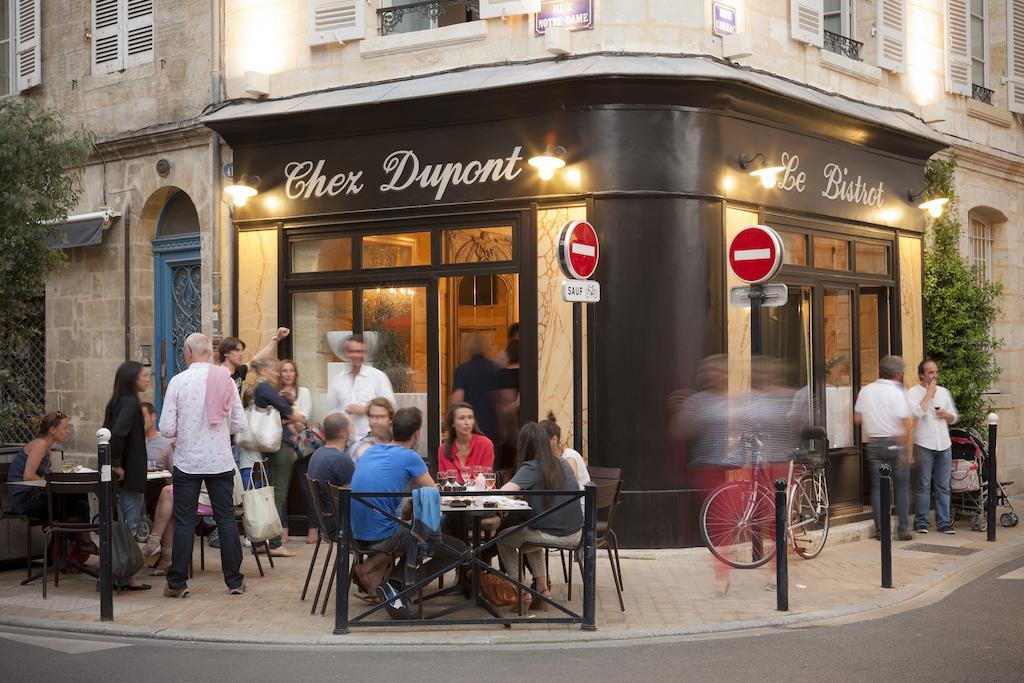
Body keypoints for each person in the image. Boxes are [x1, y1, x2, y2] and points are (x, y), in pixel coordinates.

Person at [158, 333, 247, 597]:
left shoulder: (178, 382)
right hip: (219, 460)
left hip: (188, 462)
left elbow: (166, 428)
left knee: (185, 522)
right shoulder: (226, 380)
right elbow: (240, 424)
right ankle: (235, 581)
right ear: (210, 351)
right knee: (226, 519)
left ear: (187, 352)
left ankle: (177, 584)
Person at [349, 407, 463, 597]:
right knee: (454, 549)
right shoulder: (410, 457)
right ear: (417, 434)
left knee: (409, 528)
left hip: (355, 531)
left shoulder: (371, 451)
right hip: (382, 534)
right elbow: (432, 492)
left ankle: (376, 573)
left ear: (392, 427)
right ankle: (397, 586)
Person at [498, 422, 582, 613]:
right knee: (529, 536)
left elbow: (503, 493)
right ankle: (542, 590)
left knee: (503, 540)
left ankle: (522, 591)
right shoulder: (562, 462)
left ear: (524, 445)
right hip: (576, 532)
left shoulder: (531, 467)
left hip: (552, 533)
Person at [6, 413, 96, 563]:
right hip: (24, 500)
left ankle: (75, 547)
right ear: (53, 430)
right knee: (77, 503)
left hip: (35, 496)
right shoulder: (40, 444)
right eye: (65, 427)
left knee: (80, 502)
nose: (68, 431)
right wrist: (51, 482)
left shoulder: (48, 449)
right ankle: (78, 546)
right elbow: (28, 476)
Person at [240, 356, 306, 554]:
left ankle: (261, 542)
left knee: (266, 494)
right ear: (264, 370)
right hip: (278, 446)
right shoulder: (263, 387)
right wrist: (298, 413)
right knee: (277, 494)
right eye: (275, 369)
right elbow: (288, 411)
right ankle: (274, 543)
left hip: (265, 447)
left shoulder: (256, 388)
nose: (278, 373)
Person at [854, 355, 914, 542]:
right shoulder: (898, 392)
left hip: (873, 443)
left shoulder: (866, 390)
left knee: (878, 487)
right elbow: (902, 423)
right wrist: (905, 451)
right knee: (901, 487)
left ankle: (881, 531)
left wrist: (875, 420)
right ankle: (902, 531)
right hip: (894, 442)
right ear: (897, 373)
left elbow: (857, 419)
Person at [908, 359, 959, 535]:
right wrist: (929, 393)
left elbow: (954, 416)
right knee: (923, 485)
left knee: (943, 486)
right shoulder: (913, 392)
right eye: (930, 372)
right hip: (923, 443)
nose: (934, 375)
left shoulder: (944, 392)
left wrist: (948, 416)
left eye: (936, 372)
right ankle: (921, 522)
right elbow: (916, 413)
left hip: (944, 444)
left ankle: (943, 523)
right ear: (921, 374)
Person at [102, 361, 150, 536]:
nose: (147, 380)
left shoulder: (117, 401)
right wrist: (116, 464)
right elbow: (116, 433)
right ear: (132, 379)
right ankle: (127, 559)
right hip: (129, 471)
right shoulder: (129, 403)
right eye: (143, 376)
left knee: (126, 518)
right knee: (131, 522)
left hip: (126, 469)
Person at [326, 334, 396, 447]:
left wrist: (364, 410)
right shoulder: (337, 380)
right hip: (345, 442)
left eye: (359, 351)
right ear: (346, 353)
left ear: (365, 353)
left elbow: (391, 406)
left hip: (373, 441)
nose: (355, 355)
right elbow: (331, 411)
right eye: (352, 351)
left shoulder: (378, 376)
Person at [451, 335, 500, 444]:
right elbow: (499, 400)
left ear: (467, 350)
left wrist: (451, 424)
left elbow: (458, 401)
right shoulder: (494, 368)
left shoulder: (462, 371)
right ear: (486, 349)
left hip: (469, 428)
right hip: (492, 428)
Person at [437, 402, 495, 485]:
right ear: (453, 423)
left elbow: (486, 477)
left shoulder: (485, 444)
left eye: (470, 417)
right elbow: (443, 480)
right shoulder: (444, 448)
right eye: (462, 418)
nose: (467, 422)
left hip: (481, 495)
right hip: (453, 496)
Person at [307, 412, 355, 509]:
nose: (353, 429)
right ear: (343, 434)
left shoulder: (317, 453)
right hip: (341, 517)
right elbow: (353, 494)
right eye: (351, 426)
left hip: (327, 515)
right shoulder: (340, 458)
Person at [540, 413, 591, 494]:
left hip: (576, 503)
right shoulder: (550, 458)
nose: (539, 444)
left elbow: (570, 483)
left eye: (542, 440)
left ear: (554, 439)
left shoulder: (570, 456)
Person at [495, 338, 521, 471]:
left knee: (504, 469)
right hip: (521, 428)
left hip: (505, 430)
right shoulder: (528, 374)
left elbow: (497, 404)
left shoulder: (501, 375)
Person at [349, 397, 394, 464]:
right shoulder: (359, 446)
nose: (376, 421)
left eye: (382, 417)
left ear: (390, 419)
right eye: (372, 416)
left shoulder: (399, 442)